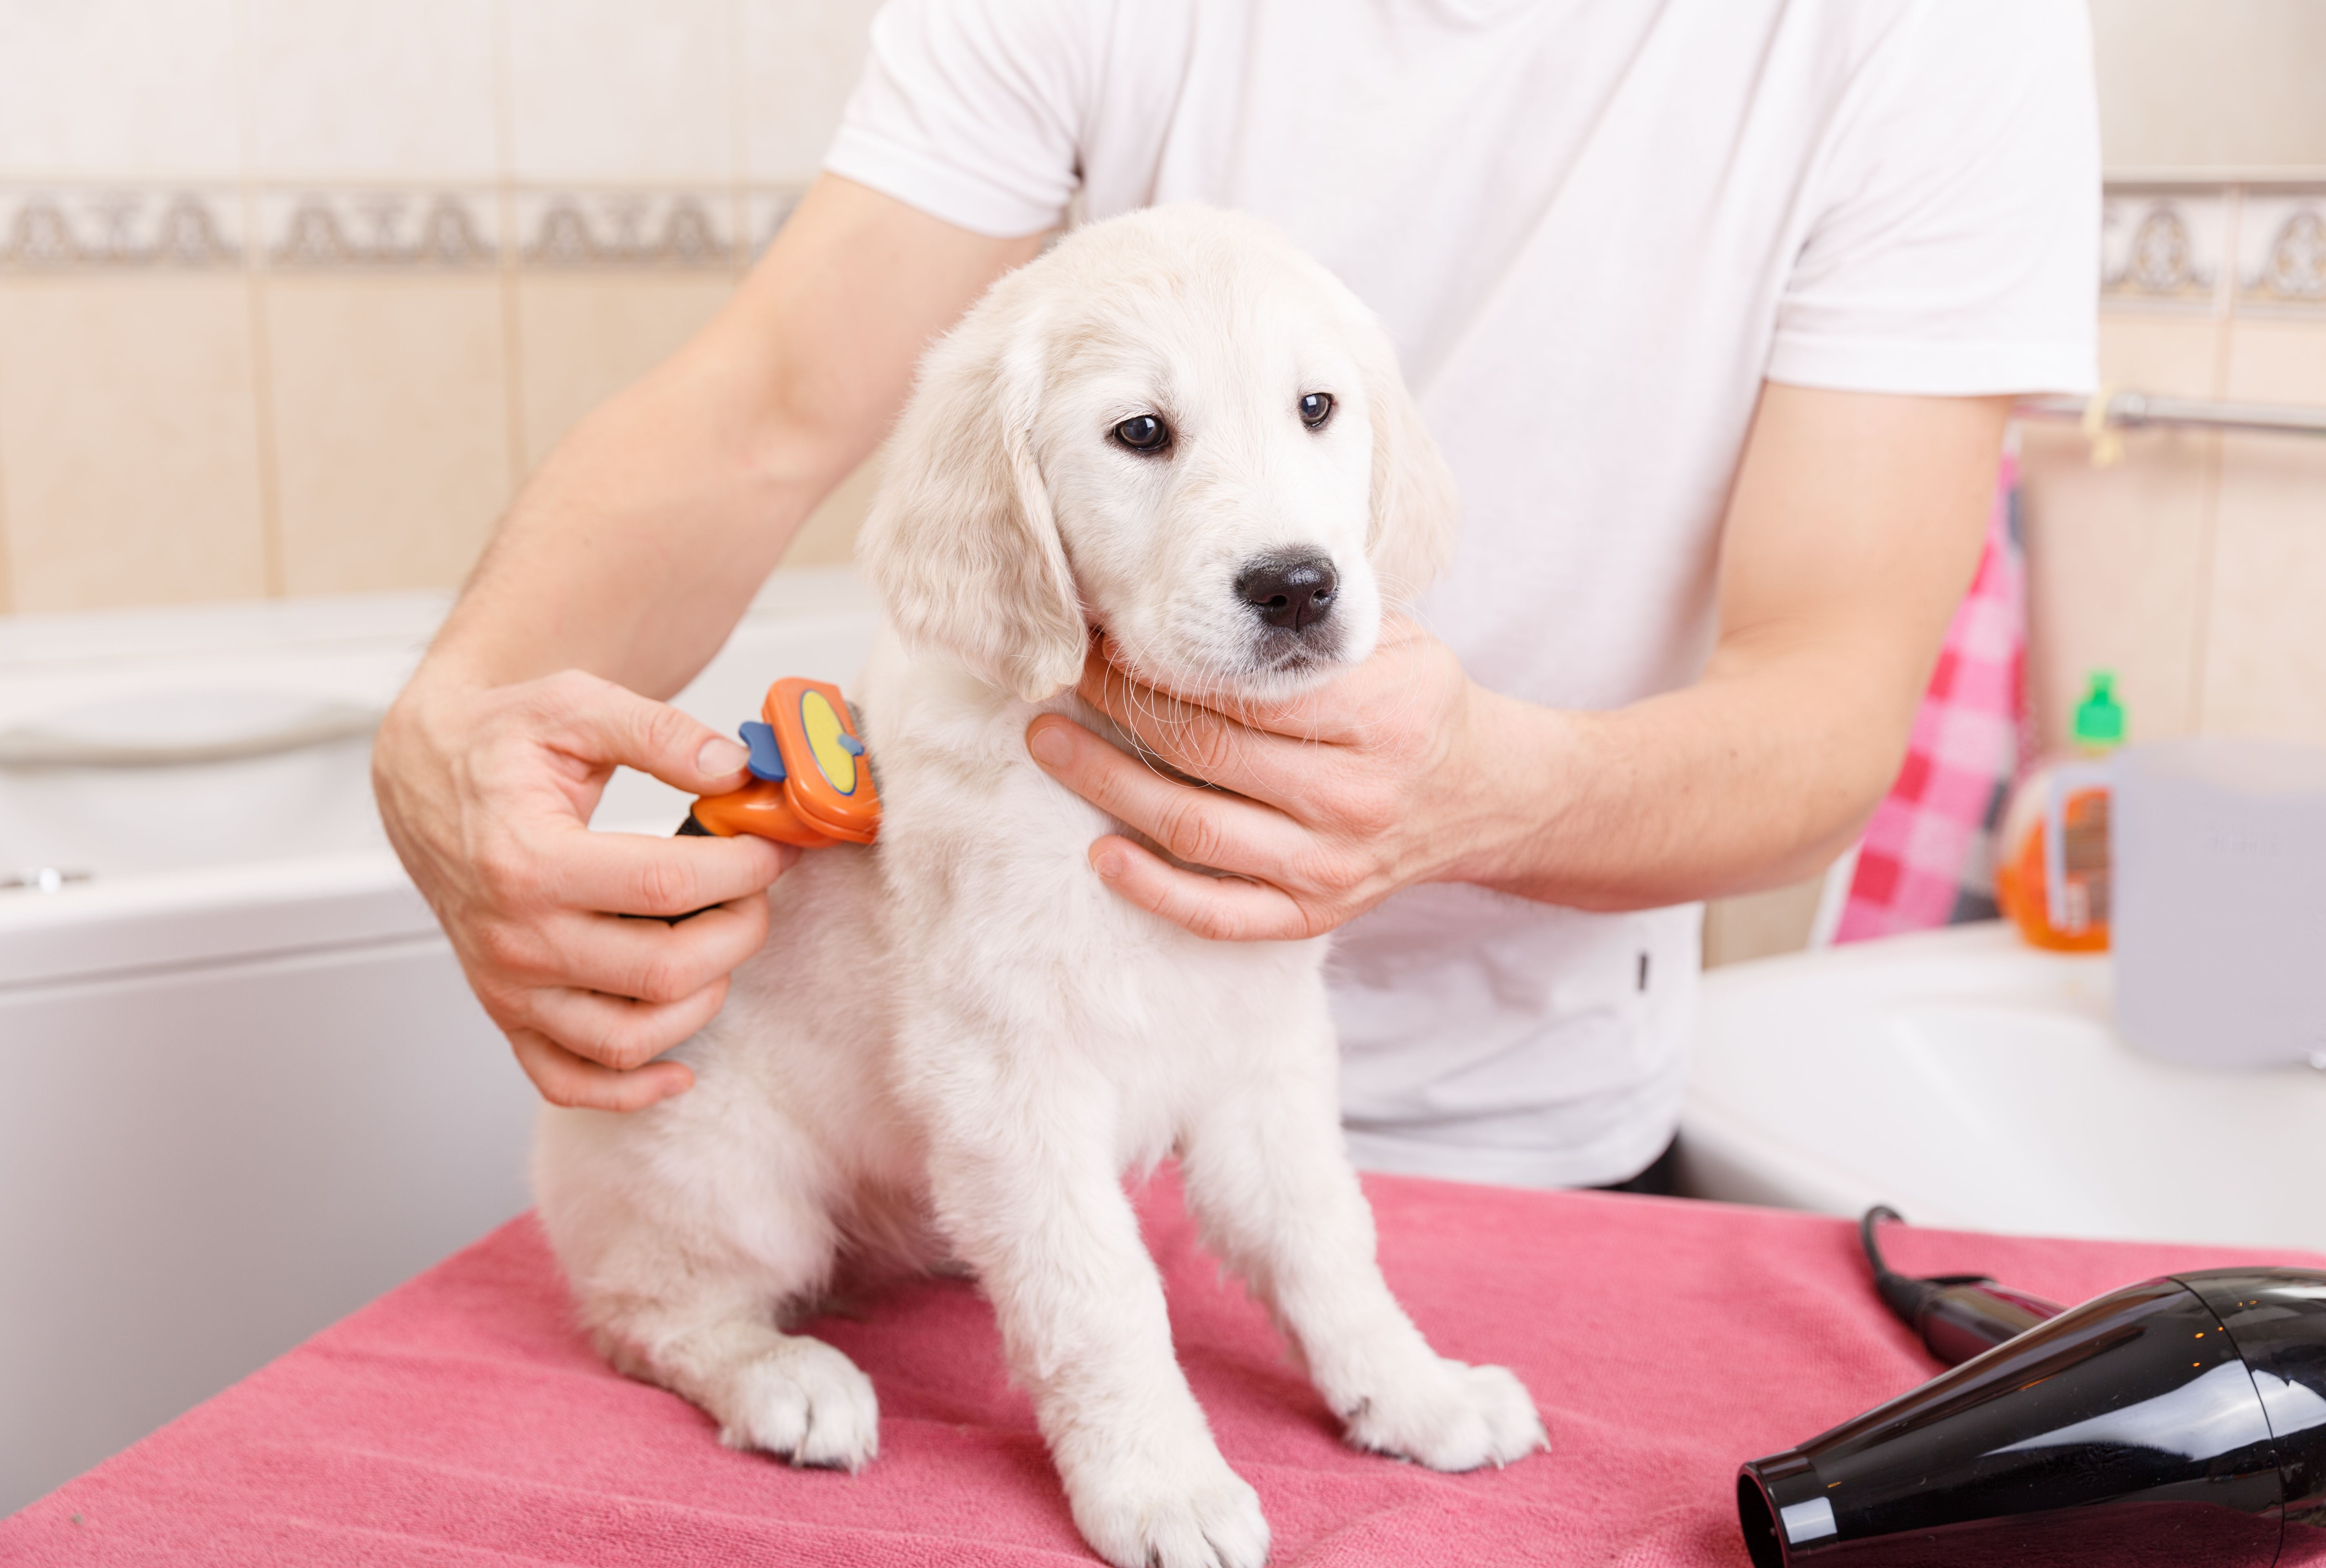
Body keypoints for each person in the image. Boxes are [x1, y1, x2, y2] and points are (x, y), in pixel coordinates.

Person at [372, 0, 2098, 1190]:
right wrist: (453, 733)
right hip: (1021, 1078)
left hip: (1500, 1126)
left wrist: (1485, 797)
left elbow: (1824, 699)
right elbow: (766, 410)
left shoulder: (1934, 33)